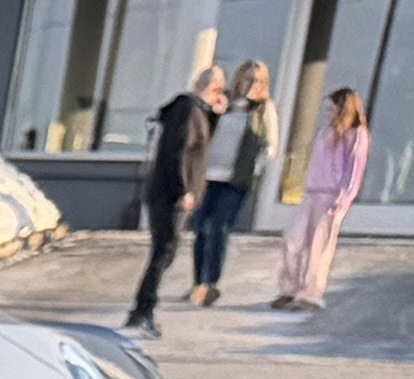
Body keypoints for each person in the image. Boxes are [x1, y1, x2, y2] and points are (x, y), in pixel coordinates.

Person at [275, 83, 371, 310]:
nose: (328, 113)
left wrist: (343, 198)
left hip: (332, 196)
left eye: (332, 109)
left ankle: (311, 293)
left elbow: (354, 169)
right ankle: (289, 288)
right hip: (311, 192)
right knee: (293, 239)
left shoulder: (356, 135)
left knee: (319, 245)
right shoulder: (326, 132)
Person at [126, 71, 209, 331]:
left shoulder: (193, 111)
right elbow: (179, 152)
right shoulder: (188, 111)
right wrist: (184, 189)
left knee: (165, 251)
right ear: (211, 88)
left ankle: (143, 308)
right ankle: (142, 309)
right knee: (164, 251)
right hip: (170, 193)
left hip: (166, 191)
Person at [190, 59, 274, 307]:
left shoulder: (262, 110)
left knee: (219, 226)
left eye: (259, 81)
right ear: (239, 79)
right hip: (208, 175)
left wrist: (255, 168)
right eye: (249, 78)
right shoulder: (223, 105)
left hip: (236, 178)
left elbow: (270, 144)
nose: (253, 84)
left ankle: (212, 282)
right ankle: (198, 283)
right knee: (200, 227)